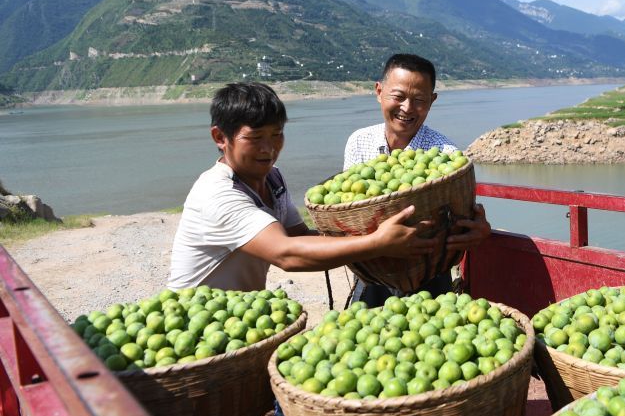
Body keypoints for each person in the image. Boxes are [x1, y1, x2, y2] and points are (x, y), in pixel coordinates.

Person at [168, 82, 437, 291]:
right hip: (196, 320)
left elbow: (300, 237)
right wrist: (376, 243)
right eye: (255, 138)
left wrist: (372, 234)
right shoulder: (218, 194)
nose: (268, 148)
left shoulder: (273, 179)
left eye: (276, 135)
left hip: (237, 319)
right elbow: (287, 254)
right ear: (220, 137)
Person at [344, 53, 492, 306]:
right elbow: (349, 213)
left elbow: (461, 221)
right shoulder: (359, 141)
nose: (407, 108)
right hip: (373, 273)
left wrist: (479, 231)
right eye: (398, 96)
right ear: (379, 91)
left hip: (429, 279)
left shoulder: (447, 155)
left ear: (432, 101)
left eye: (419, 100)